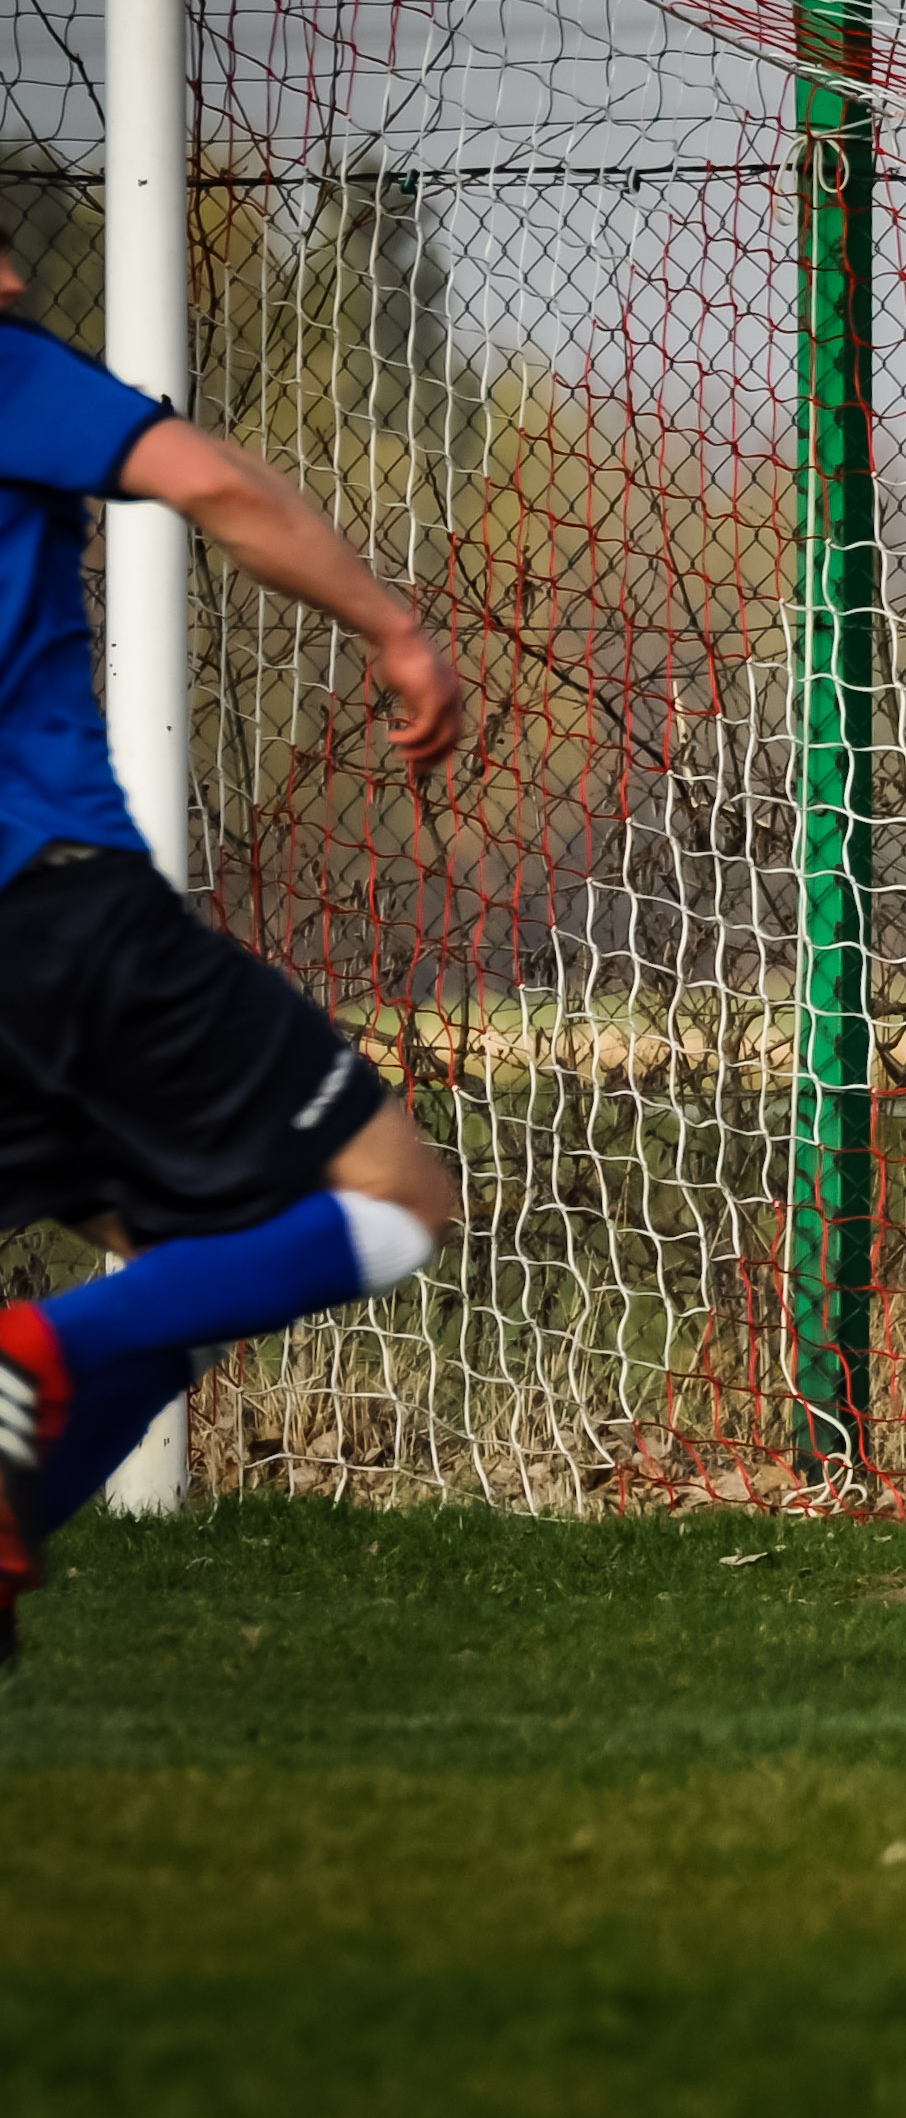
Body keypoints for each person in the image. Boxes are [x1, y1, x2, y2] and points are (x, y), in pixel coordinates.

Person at [0, 235, 468, 1669]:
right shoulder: (10, 372)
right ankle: (37, 1357)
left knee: (187, 1268)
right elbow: (206, 479)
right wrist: (396, 626)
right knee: (396, 1195)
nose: (19, 270)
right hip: (59, 912)